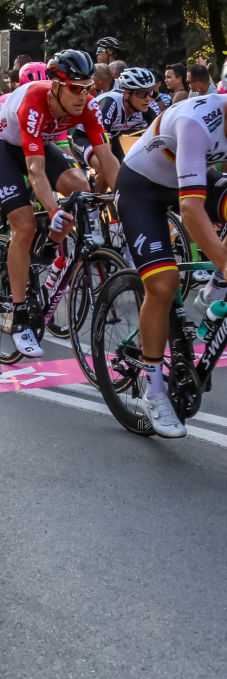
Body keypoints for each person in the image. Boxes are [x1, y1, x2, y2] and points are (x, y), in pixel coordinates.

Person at [0, 50, 118, 358]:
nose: (83, 95)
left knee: (80, 187)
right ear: (56, 85)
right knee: (24, 225)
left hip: (38, 144)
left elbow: (107, 159)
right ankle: (18, 318)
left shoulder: (87, 105)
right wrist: (53, 209)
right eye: (75, 87)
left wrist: (125, 197)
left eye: (88, 87)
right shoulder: (34, 100)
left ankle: (47, 251)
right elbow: (35, 170)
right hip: (4, 147)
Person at [114, 91, 227, 438]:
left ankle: (214, 291)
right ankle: (154, 391)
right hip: (141, 189)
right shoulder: (196, 122)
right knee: (163, 284)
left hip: (185, 175)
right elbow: (191, 211)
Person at [70, 67, 157, 208]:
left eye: (150, 92)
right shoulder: (109, 104)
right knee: (107, 167)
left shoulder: (145, 108)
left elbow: (159, 139)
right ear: (127, 94)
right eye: (142, 93)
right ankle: (92, 211)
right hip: (85, 137)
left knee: (124, 170)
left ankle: (103, 209)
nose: (148, 98)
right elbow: (105, 152)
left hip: (111, 139)